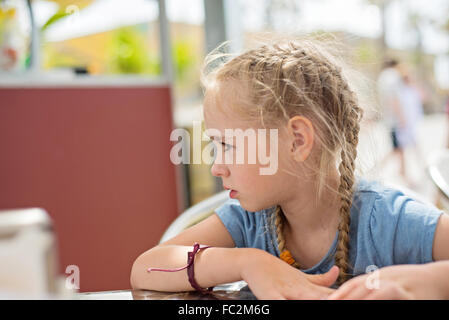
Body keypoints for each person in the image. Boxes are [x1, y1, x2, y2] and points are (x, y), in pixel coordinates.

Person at [130, 39, 449, 300]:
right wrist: (247, 263)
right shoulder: (248, 222)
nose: (217, 167)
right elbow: (146, 268)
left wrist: (418, 281)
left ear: (297, 140)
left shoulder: (391, 221)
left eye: (228, 145)